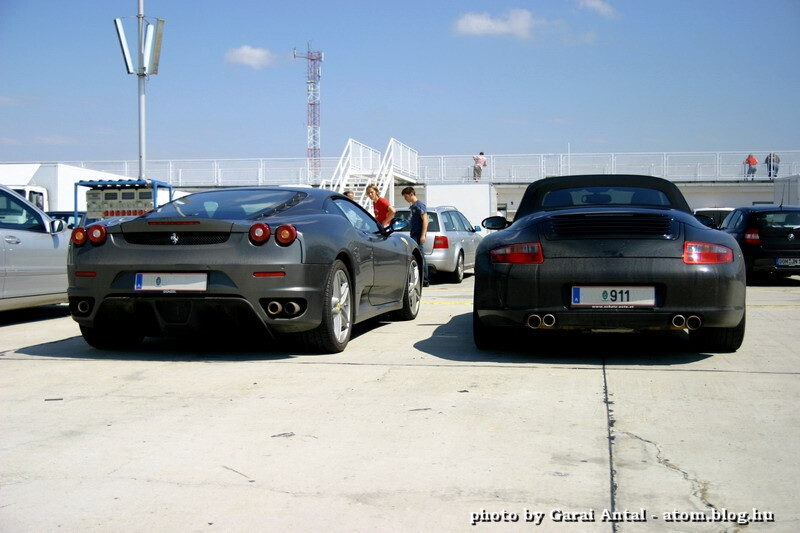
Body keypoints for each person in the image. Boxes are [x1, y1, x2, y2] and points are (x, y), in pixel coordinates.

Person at [401, 186, 429, 287]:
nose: (405, 199)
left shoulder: (419, 205)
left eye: (406, 196)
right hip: (414, 234)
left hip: (418, 235)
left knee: (421, 257)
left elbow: (425, 220)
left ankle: (425, 280)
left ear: (411, 194)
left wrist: (422, 235)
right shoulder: (413, 206)